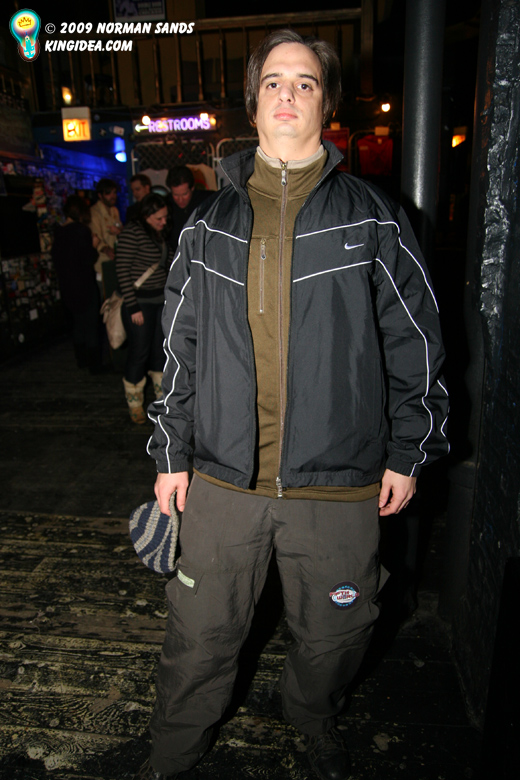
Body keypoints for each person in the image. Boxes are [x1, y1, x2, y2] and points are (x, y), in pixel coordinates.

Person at [139, 29, 450, 780]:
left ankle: (311, 714)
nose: (288, 94)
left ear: (325, 104)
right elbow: (179, 348)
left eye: (305, 82)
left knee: (337, 633)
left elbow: (416, 341)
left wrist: (409, 451)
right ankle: (173, 751)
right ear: (253, 105)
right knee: (199, 634)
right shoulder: (206, 223)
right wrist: (169, 454)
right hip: (221, 479)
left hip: (339, 482)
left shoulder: (372, 215)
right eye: (273, 82)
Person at [116, 193, 171, 424]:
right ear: (147, 215)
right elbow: (122, 270)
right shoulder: (133, 232)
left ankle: (161, 400)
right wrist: (133, 307)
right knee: (139, 352)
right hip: (140, 304)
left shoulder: (157, 233)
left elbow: (166, 264)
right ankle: (134, 403)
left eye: (165, 217)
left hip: (160, 301)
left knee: (160, 351)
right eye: (159, 218)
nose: (164, 222)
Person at [51, 195, 103, 372]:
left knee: (78, 324)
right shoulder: (81, 231)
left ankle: (81, 360)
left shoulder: (59, 232)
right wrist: (94, 245)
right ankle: (94, 365)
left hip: (68, 286)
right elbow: (87, 258)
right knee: (91, 325)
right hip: (84, 284)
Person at [165, 165, 212, 251]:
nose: (180, 200)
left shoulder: (207, 201)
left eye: (185, 194)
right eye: (175, 195)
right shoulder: (166, 205)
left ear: (192, 188)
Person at [90, 178, 122, 284]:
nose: (112, 196)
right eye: (108, 193)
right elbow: (96, 237)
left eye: (114, 192)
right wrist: (106, 249)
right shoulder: (94, 213)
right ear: (100, 195)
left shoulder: (115, 211)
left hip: (116, 262)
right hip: (102, 264)